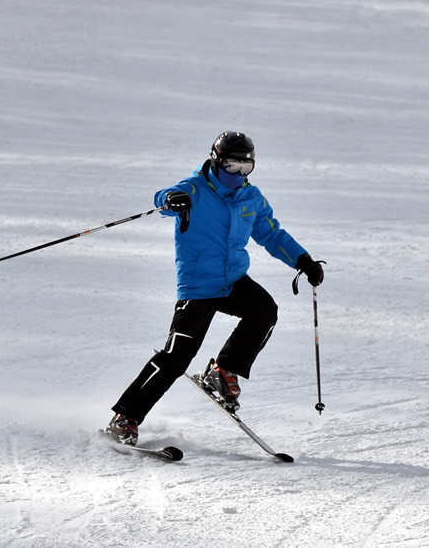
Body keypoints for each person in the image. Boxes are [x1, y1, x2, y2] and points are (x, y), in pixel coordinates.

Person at [106, 131, 325, 445]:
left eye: (245, 168)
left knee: (264, 311)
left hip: (233, 280)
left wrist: (302, 260)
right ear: (216, 160)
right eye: (231, 166)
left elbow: (272, 235)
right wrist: (170, 200)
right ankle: (125, 417)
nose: (237, 175)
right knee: (176, 357)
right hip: (198, 285)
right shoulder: (193, 189)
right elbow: (163, 198)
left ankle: (222, 372)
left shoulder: (252, 198)